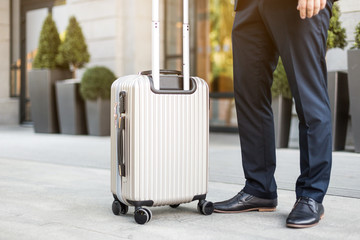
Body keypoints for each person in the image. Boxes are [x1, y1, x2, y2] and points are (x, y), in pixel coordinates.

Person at [213, 0, 334, 228]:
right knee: (250, 94)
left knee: (308, 95)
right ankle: (259, 187)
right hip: (249, 5)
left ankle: (312, 195)